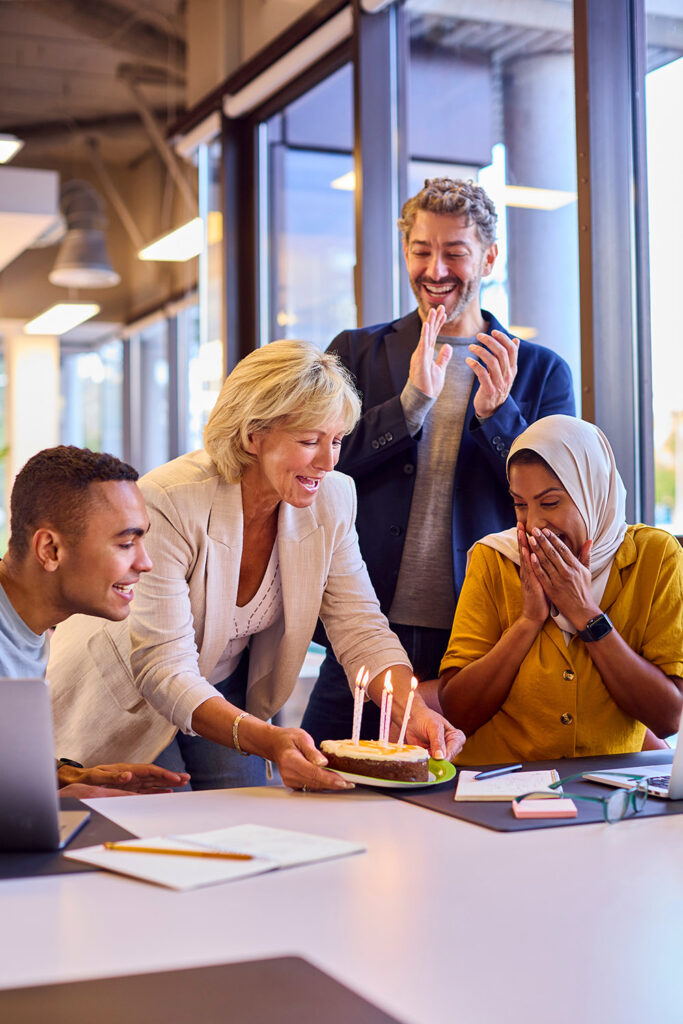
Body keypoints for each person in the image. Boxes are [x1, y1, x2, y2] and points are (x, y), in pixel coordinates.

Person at [48, 341, 464, 792]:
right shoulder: (168, 500)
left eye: (337, 441)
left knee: (244, 812)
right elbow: (163, 668)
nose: (328, 462)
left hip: (218, 685)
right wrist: (269, 741)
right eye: (309, 441)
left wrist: (413, 711)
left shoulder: (334, 498)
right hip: (125, 692)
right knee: (167, 822)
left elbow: (360, 625)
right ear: (253, 435)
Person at [302, 177, 576, 745]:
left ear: (489, 256)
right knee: (320, 774)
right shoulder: (355, 353)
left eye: (455, 252)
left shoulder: (542, 371)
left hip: (483, 629)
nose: (436, 269)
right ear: (406, 252)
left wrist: (500, 414)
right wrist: (409, 406)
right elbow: (318, 468)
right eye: (422, 251)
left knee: (464, 784)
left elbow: (562, 498)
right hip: (365, 620)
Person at [438, 415, 683, 764]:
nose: (535, 524)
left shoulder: (656, 557)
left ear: (592, 493)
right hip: (496, 789)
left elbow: (667, 717)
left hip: (610, 794)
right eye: (520, 505)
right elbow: (459, 712)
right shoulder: (495, 558)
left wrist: (587, 613)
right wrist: (527, 621)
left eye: (550, 503)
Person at [0, 446, 190, 798]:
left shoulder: (28, 624)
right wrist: (58, 805)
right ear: (50, 550)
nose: (145, 563)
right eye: (125, 543)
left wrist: (69, 778)